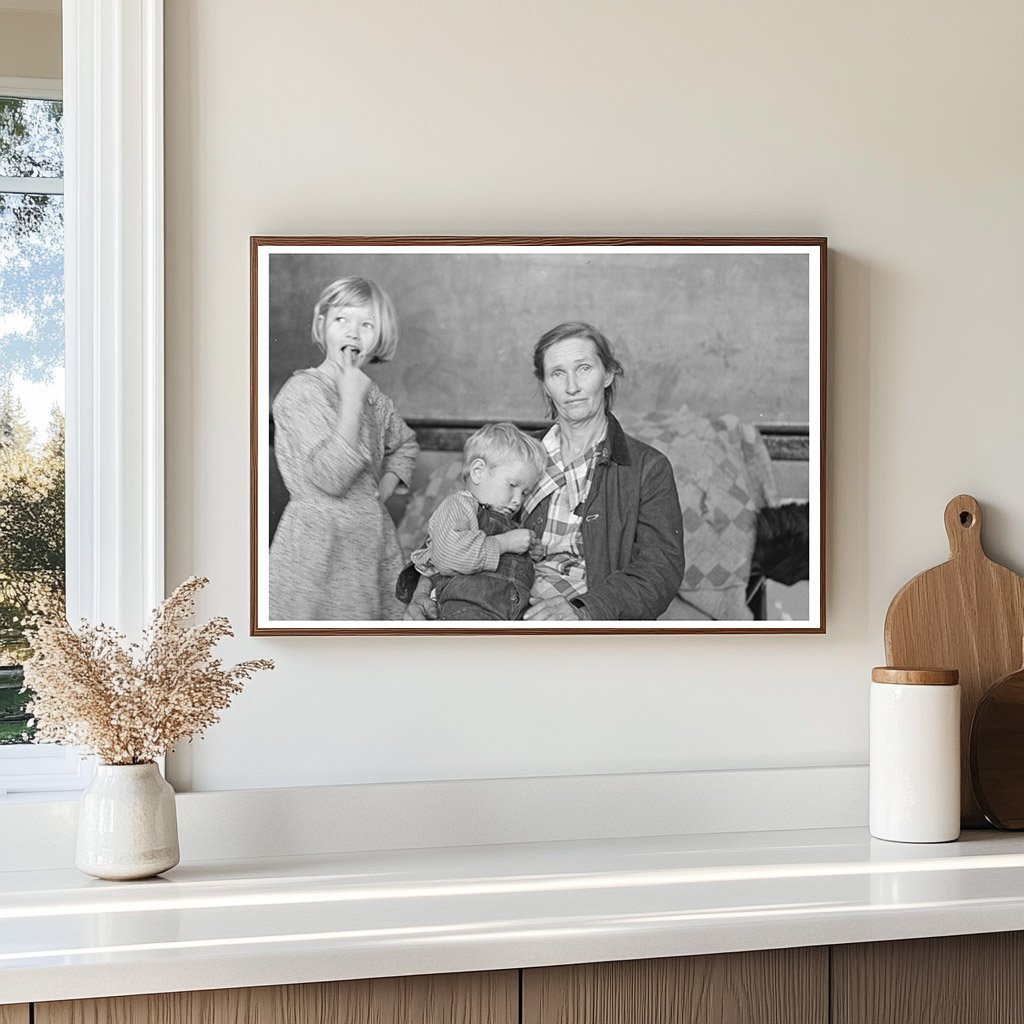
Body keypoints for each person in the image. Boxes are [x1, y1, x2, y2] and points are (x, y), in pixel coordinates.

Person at [405, 322, 685, 622]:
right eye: (557, 373)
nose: (572, 387)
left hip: (577, 621)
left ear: (608, 374)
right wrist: (423, 593)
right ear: (545, 386)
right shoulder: (518, 452)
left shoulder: (647, 468)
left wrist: (583, 610)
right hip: (491, 605)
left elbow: (659, 571)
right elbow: (452, 528)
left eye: (584, 368)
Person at [270, 276, 418, 621]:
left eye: (367, 324)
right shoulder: (302, 392)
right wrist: (351, 399)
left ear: (379, 337)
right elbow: (331, 477)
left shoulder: (374, 397)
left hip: (370, 543)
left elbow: (405, 444)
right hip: (317, 546)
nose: (353, 333)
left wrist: (379, 493)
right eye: (342, 320)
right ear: (322, 326)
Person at [408, 422, 546, 620]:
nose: (518, 500)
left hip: (511, 612)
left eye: (524, 492)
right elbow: (449, 555)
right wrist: (505, 543)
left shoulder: (505, 519)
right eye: (512, 485)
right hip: (467, 610)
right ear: (478, 471)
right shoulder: (459, 506)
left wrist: (529, 553)